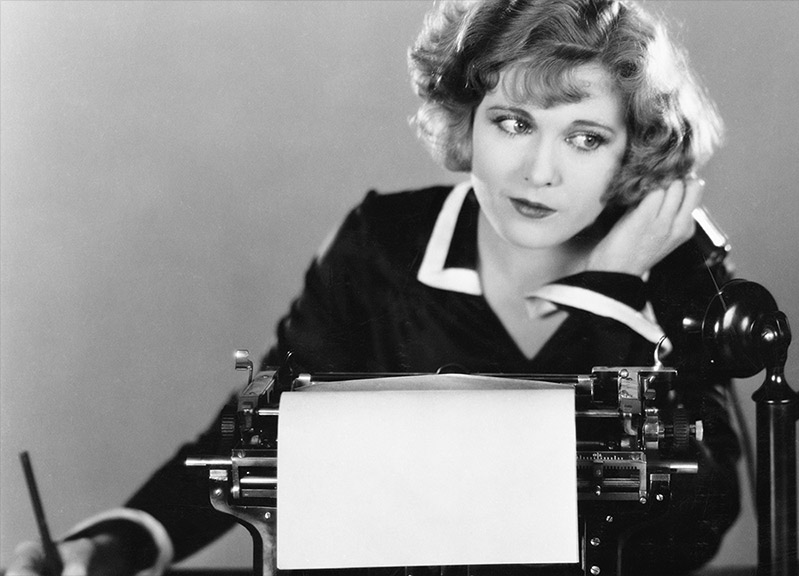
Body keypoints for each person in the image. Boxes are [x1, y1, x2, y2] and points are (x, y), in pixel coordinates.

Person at [9, 0, 740, 574]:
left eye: (585, 137)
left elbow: (687, 533)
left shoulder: (671, 265)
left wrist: (609, 293)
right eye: (513, 123)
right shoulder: (384, 244)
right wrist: (120, 544)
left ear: (632, 150)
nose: (538, 172)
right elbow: (265, 433)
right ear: (465, 123)